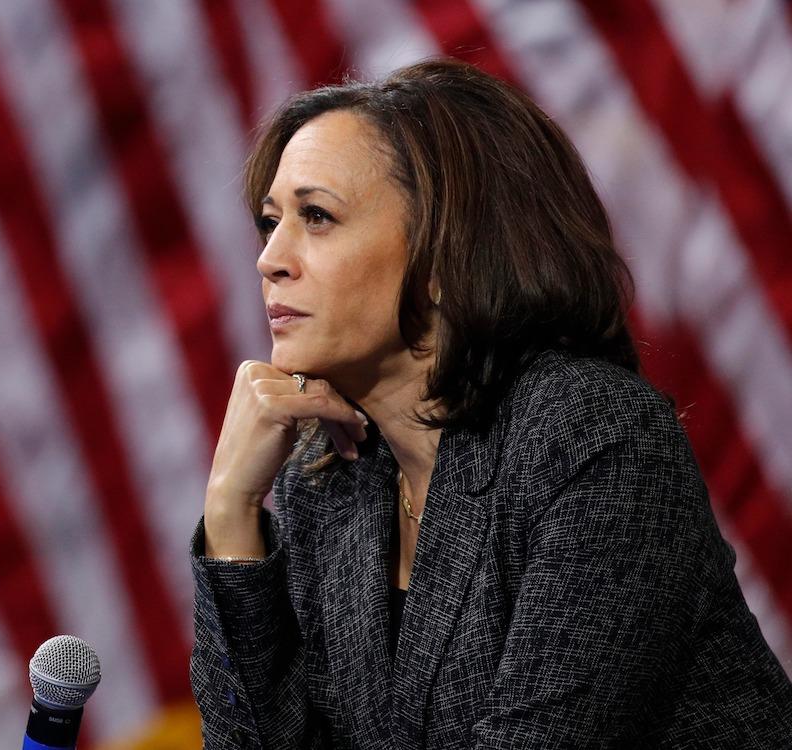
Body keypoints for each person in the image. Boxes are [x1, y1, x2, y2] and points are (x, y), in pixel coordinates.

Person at [188, 58, 792, 748]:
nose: (269, 258)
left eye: (317, 217)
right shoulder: (331, 482)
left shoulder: (591, 439)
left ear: (446, 251)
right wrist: (231, 512)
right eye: (271, 222)